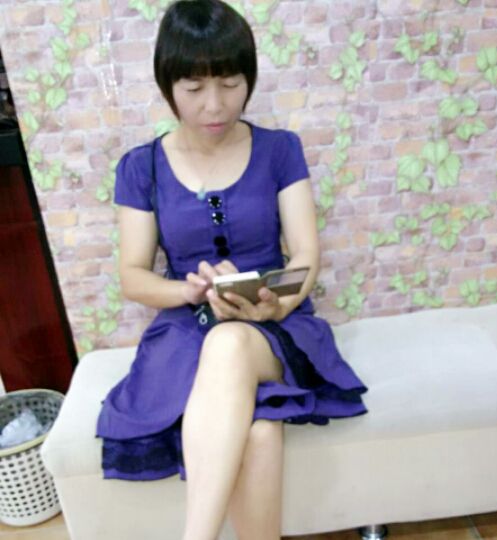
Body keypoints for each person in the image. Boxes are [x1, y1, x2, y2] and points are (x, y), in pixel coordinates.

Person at [96, 1, 368, 539]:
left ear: (249, 79)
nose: (215, 105)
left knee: (230, 342)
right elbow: (133, 276)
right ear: (168, 86)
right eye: (195, 88)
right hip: (185, 330)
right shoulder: (140, 167)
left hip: (276, 326)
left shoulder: (280, 150)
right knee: (260, 432)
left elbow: (304, 257)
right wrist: (190, 290)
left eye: (230, 84)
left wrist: (274, 302)